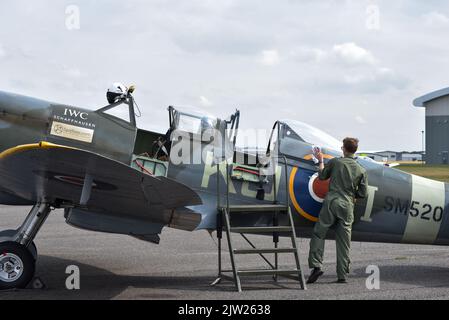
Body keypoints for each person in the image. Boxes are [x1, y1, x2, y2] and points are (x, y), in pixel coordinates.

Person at [307, 137, 368, 284]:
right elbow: (363, 194)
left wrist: (320, 160)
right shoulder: (361, 169)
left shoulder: (335, 162)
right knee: (344, 241)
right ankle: (342, 274)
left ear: (344, 148)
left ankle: (316, 266)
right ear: (355, 150)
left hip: (331, 202)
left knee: (319, 233)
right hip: (347, 206)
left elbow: (322, 176)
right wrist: (353, 195)